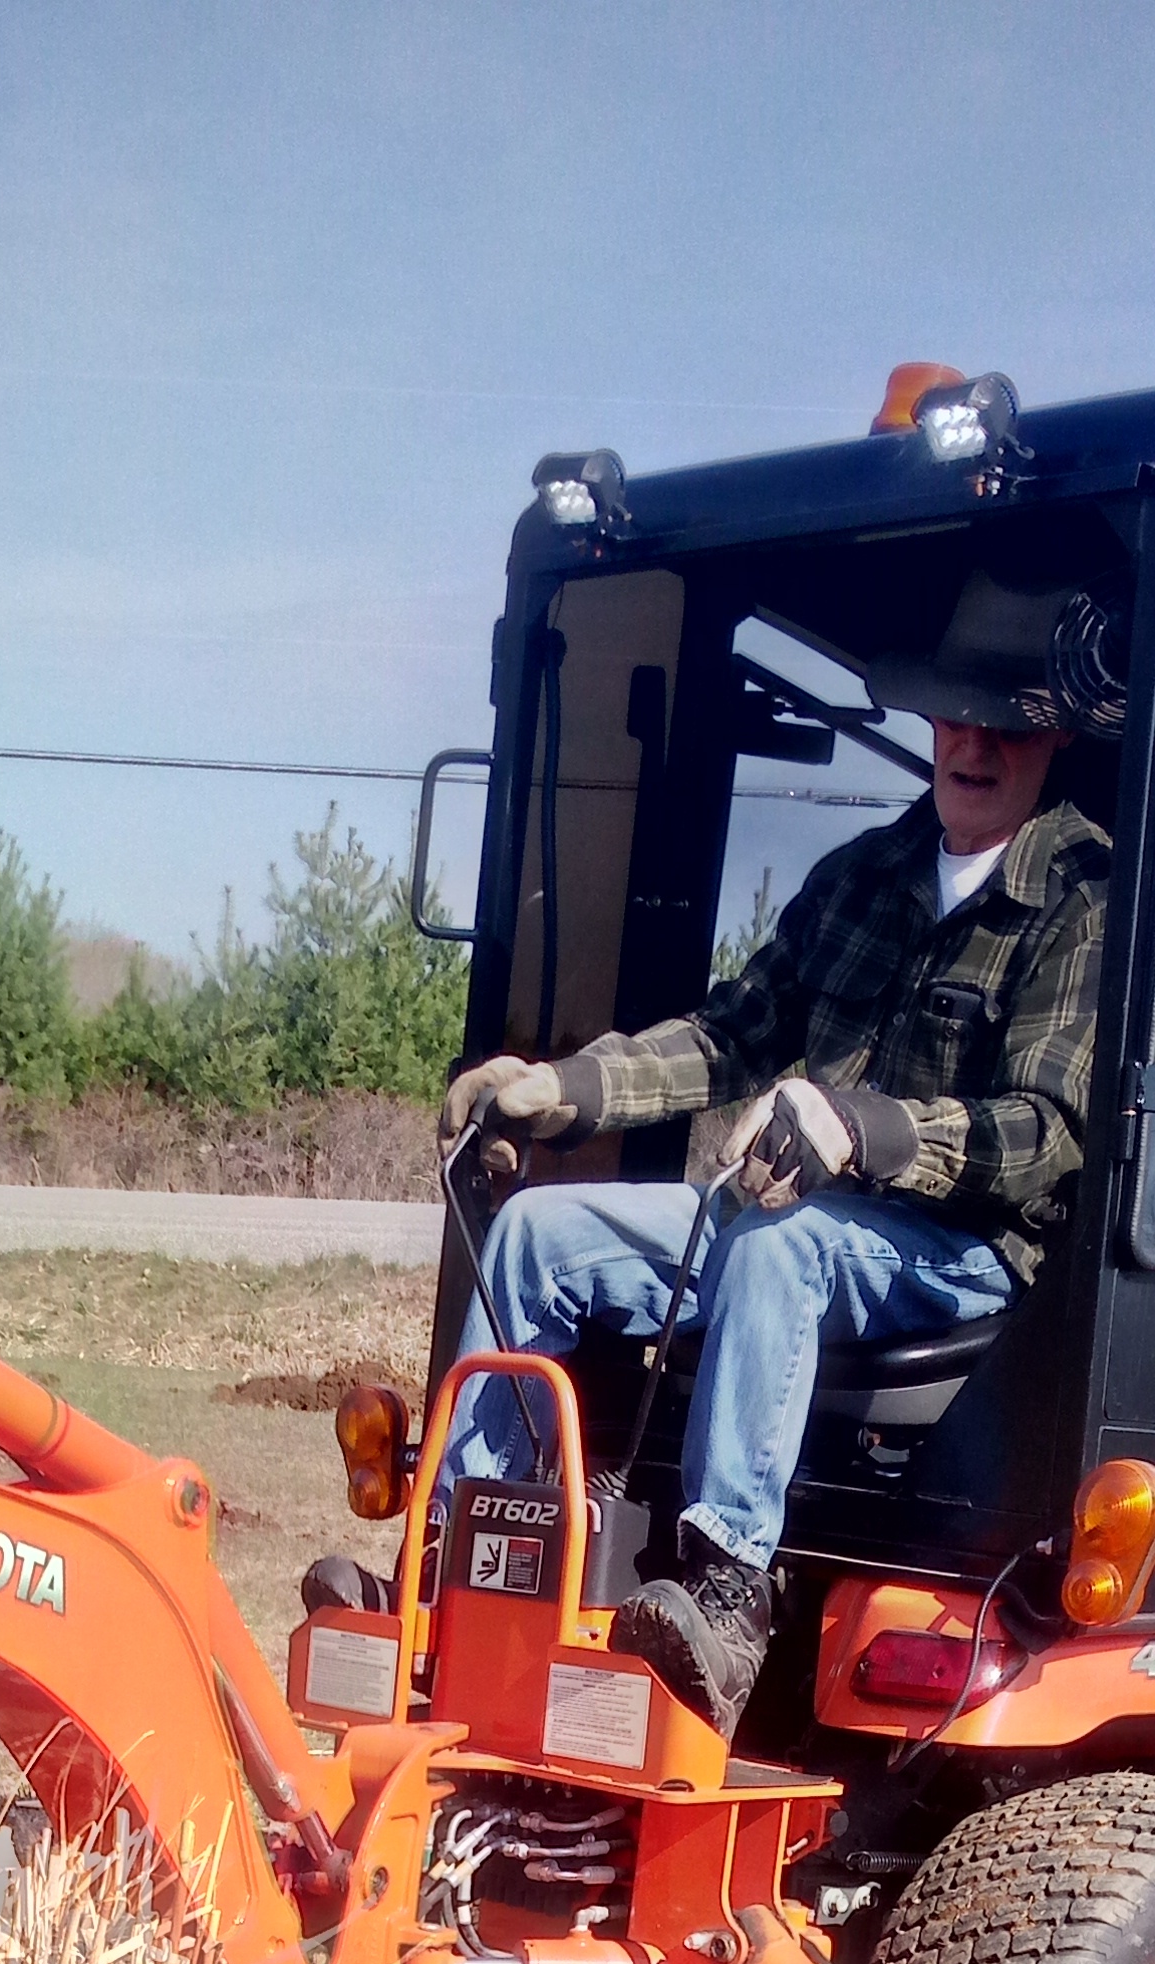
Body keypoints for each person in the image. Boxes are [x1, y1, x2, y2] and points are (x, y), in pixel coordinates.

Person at [435, 574, 1114, 1734]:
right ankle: (466, 1559)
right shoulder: (859, 878)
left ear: (1052, 735)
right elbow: (729, 1035)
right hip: (797, 1227)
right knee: (541, 1233)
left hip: (966, 1256)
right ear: (929, 718)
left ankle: (726, 1588)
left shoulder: (1085, 899)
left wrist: (867, 1129)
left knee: (776, 1244)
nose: (975, 741)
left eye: (1008, 721)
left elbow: (1046, 1137)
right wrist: (564, 1088)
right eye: (957, 714)